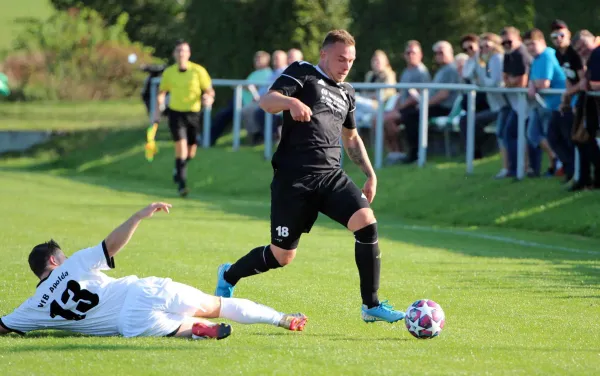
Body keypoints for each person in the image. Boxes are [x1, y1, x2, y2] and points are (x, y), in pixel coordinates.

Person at [214, 30, 405, 324]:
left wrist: (370, 173)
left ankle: (371, 305)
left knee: (367, 224)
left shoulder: (347, 92)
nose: (346, 65)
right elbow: (268, 101)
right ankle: (229, 274)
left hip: (331, 176)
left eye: (351, 60)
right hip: (294, 179)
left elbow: (351, 138)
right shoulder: (303, 73)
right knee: (282, 256)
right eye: (341, 58)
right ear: (324, 54)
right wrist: (291, 103)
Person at [0, 203, 308, 339]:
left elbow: (3, 327)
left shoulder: (31, 309)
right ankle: (282, 319)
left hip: (129, 324)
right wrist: (137, 216)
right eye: (61, 256)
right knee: (220, 306)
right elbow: (111, 245)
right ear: (54, 261)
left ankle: (196, 331)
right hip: (141, 290)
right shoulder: (75, 264)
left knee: (181, 326)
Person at [153, 40, 215, 197]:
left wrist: (208, 98)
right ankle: (182, 184)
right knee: (180, 147)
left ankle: (178, 168)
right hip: (176, 113)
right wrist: (158, 107)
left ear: (189, 54)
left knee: (191, 150)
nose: (181, 54)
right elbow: (162, 92)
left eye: (184, 51)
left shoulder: (198, 71)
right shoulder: (169, 72)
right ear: (174, 54)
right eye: (178, 51)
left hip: (193, 114)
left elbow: (209, 90)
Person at [523, 28, 569, 177]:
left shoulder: (547, 55)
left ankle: (559, 166)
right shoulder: (536, 59)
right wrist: (532, 84)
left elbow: (544, 84)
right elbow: (534, 81)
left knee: (554, 137)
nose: (530, 48)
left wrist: (532, 84)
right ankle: (555, 161)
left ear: (542, 42)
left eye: (532, 44)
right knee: (533, 134)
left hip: (557, 104)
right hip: (545, 104)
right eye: (527, 45)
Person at [381, 40, 431, 164]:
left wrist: (400, 108)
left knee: (388, 120)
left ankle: (399, 152)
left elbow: (418, 95)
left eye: (413, 53)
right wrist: (395, 108)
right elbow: (401, 94)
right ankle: (395, 152)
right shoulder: (406, 72)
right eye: (408, 53)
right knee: (381, 119)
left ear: (420, 55)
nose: (410, 55)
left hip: (414, 109)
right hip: (404, 108)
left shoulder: (421, 72)